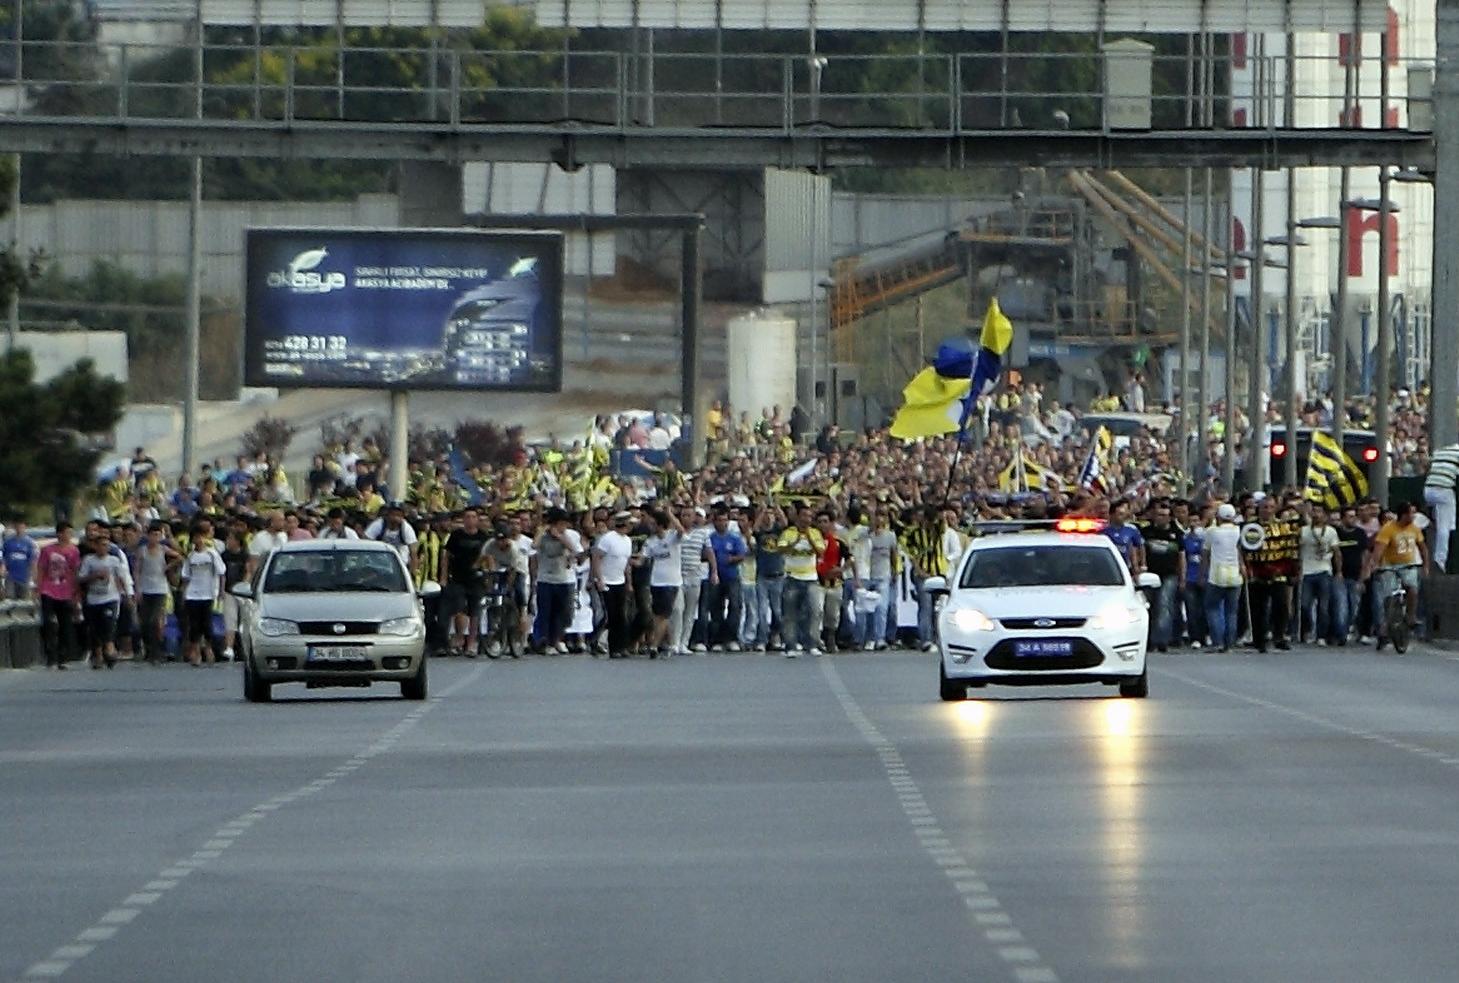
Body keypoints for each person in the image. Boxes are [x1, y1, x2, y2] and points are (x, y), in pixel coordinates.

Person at [1242, 497, 1299, 652]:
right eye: (1264, 507)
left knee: (1281, 606)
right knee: (1258, 608)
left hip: (1279, 572)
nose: (1267, 510)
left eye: (1271, 507)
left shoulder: (1284, 527)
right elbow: (1244, 549)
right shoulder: (1250, 527)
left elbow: (1290, 550)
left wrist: (1292, 571)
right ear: (1259, 509)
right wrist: (1246, 567)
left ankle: (1279, 636)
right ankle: (1259, 639)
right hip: (1257, 572)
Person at [1370, 500, 1429, 649]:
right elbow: (1379, 549)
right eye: (1411, 513)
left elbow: (1423, 548)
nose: (1413, 516)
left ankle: (1411, 616)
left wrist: (1425, 566)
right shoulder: (1388, 529)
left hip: (1408, 565)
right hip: (1389, 566)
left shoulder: (1414, 529)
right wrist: (1375, 564)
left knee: (1413, 589)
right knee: (1389, 596)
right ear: (1403, 515)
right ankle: (1386, 625)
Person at [533, 507, 584, 655]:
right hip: (545, 579)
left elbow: (576, 551)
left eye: (565, 524)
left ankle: (556, 639)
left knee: (563, 613)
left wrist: (561, 537)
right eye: (561, 524)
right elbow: (534, 546)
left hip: (564, 580)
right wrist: (542, 530)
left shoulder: (570, 535)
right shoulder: (543, 536)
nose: (564, 526)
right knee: (545, 612)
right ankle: (544, 642)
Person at [78, 533, 132, 670]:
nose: (104, 548)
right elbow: (81, 578)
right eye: (101, 545)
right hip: (94, 599)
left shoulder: (114, 560)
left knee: (109, 624)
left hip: (110, 598)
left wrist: (127, 595)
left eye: (107, 545)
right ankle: (98, 656)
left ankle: (110, 649)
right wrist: (94, 576)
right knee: (95, 628)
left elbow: (121, 578)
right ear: (95, 546)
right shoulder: (89, 560)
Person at [778, 505, 826, 657]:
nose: (807, 519)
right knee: (790, 613)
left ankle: (812, 644)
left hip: (811, 578)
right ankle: (790, 645)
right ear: (798, 517)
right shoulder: (788, 533)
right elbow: (781, 550)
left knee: (815, 611)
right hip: (792, 577)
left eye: (810, 517)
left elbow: (820, 552)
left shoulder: (815, 533)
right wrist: (795, 541)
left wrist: (809, 538)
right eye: (804, 516)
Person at [442, 508, 490, 656]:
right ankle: (459, 638)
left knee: (475, 611)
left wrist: (488, 576)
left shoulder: (483, 537)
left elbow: (489, 557)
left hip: (476, 579)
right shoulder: (456, 535)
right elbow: (447, 556)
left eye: (473, 517)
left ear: (477, 519)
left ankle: (471, 643)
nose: (470, 520)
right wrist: (444, 576)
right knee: (459, 608)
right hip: (458, 577)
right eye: (467, 517)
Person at [1201, 503, 1246, 653]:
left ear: (1218, 517)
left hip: (1217, 575)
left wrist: (1203, 574)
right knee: (1231, 611)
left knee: (1212, 608)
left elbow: (1205, 554)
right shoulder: (1238, 531)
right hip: (1235, 575)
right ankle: (1230, 643)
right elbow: (1240, 552)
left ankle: (1218, 642)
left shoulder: (1212, 532)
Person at [134, 522, 179, 664]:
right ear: (148, 536)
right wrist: (137, 588)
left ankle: (158, 650)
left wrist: (168, 566)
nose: (156, 538)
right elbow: (137, 570)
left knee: (156, 620)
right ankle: (148, 649)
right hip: (145, 588)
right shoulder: (142, 551)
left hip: (160, 589)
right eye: (153, 535)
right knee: (145, 621)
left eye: (158, 535)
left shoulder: (163, 549)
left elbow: (179, 557)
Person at [1141, 501, 1184, 652]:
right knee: (1149, 607)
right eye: (1159, 515)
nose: (1161, 518)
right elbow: (1140, 551)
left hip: (1169, 575)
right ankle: (1149, 640)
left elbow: (1181, 557)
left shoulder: (1177, 534)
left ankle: (1162, 640)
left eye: (1165, 515)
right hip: (1149, 575)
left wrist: (1182, 578)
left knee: (1164, 605)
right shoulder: (1146, 532)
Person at [37, 523, 81, 669]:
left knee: (65, 625)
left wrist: (76, 592)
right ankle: (50, 656)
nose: (69, 536)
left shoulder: (74, 551)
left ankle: (63, 657)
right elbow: (41, 568)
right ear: (59, 534)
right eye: (67, 533)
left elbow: (75, 571)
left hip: (66, 592)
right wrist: (38, 587)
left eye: (71, 533)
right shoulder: (47, 550)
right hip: (48, 590)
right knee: (49, 624)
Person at [592, 511, 634, 658]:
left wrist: (628, 582)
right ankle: (605, 644)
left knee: (621, 615)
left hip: (619, 581)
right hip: (606, 581)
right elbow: (596, 558)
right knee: (610, 615)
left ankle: (621, 646)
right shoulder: (608, 539)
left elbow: (626, 563)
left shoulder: (628, 541)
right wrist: (599, 579)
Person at [180, 533, 226, 666]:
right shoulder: (190, 556)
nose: (198, 540)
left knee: (206, 623)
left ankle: (208, 649)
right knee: (194, 624)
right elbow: (186, 576)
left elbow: (221, 573)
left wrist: (221, 591)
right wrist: (184, 593)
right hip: (192, 594)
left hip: (208, 594)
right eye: (196, 537)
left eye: (200, 537)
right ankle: (196, 652)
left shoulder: (212, 554)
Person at [1297, 504, 1340, 645]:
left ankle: (1321, 635)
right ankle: (1307, 630)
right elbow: (1298, 552)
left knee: (1323, 606)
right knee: (1304, 605)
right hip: (1307, 571)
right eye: (1314, 511)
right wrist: (1297, 570)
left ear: (1325, 515)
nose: (1316, 514)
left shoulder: (1331, 531)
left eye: (1319, 511)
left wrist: (1339, 571)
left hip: (1324, 570)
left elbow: (1337, 552)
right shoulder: (1303, 531)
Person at [858, 509, 899, 651]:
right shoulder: (865, 535)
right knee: (868, 608)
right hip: (867, 575)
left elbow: (894, 554)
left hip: (883, 575)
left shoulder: (890, 536)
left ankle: (880, 638)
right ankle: (869, 638)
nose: (879, 519)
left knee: (882, 608)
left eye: (882, 516)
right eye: (877, 516)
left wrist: (894, 572)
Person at [706, 507, 746, 651]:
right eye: (720, 520)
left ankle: (732, 638)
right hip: (715, 577)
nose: (723, 523)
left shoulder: (735, 538)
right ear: (714, 522)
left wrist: (732, 559)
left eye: (725, 520)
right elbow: (704, 554)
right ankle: (717, 640)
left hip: (732, 576)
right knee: (716, 608)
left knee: (735, 606)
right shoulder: (710, 538)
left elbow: (742, 555)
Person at [1332, 506, 1369, 646]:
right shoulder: (1336, 533)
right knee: (1341, 607)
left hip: (1356, 576)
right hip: (1340, 576)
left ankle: (1347, 629)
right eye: (1350, 516)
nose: (1353, 519)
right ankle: (1340, 635)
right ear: (1343, 518)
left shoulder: (1360, 533)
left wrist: (1363, 577)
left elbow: (1365, 555)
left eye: (1354, 516)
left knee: (1354, 608)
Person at [1424, 441, 1459, 572]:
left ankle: (1427, 520)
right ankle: (1440, 560)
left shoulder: (1440, 451)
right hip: (1443, 490)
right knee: (1445, 527)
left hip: (1428, 489)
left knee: (1440, 522)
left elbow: (1427, 465)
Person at [1104, 500, 1146, 574]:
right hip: (1107, 568)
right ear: (1111, 514)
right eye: (1120, 514)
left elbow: (1140, 546)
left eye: (1124, 514)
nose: (1123, 516)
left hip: (1126, 568)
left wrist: (1142, 565)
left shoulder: (1131, 529)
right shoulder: (1103, 531)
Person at [246, 510, 290, 580]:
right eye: (280, 520)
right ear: (272, 523)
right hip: (266, 576)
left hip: (283, 574)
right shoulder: (259, 537)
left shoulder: (283, 536)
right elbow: (254, 561)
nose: (284, 523)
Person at [2, 520, 36, 600]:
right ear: (15, 528)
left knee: (24, 599)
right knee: (9, 598)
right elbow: (3, 557)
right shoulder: (8, 542)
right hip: (10, 576)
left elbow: (32, 560)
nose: (20, 529)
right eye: (18, 527)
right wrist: (3, 567)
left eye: (22, 527)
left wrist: (34, 575)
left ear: (25, 528)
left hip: (24, 576)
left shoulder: (29, 543)